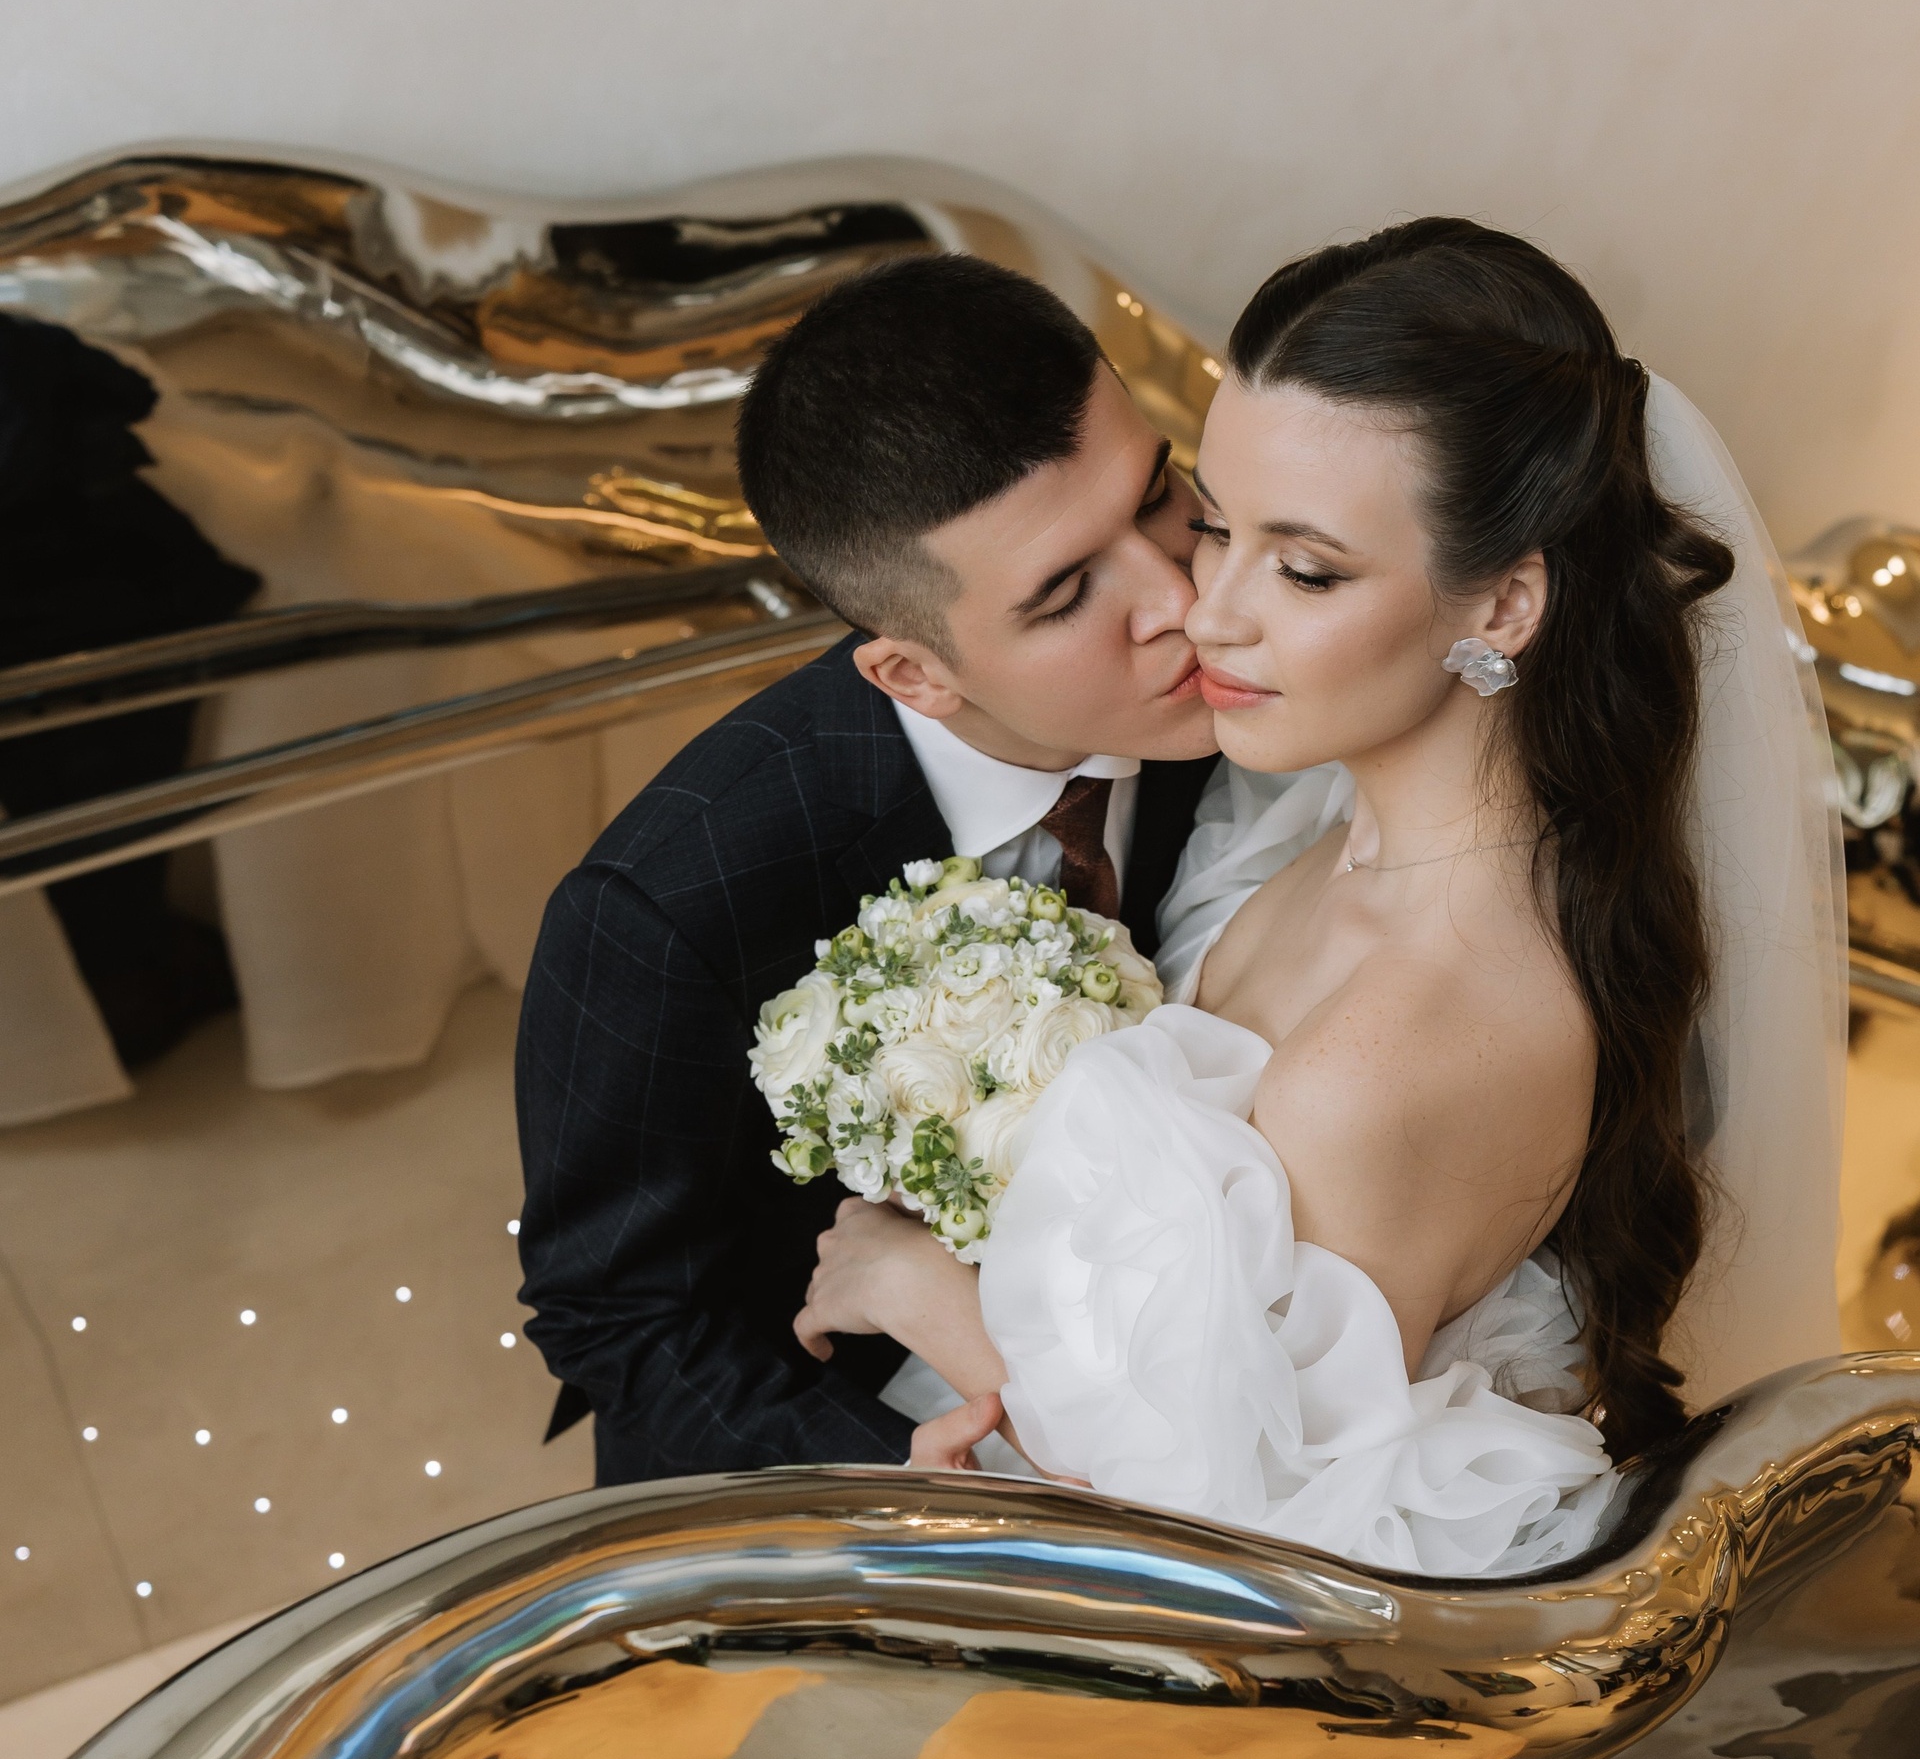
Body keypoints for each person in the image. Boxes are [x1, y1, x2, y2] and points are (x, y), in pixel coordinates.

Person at [796, 220, 1845, 1577]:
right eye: (1215, 526)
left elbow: (1251, 1554)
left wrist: (937, 1297)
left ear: (1504, 607)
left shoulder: (1395, 1051)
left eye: (1305, 571)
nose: (1205, 612)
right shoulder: (1317, 823)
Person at [514, 255, 1342, 1483]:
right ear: (915, 674)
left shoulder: (1265, 699)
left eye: (1159, 495)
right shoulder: (669, 904)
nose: (1185, 600)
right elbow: (620, 1321)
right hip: (858, 1451)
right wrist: (905, 1475)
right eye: (1067, 593)